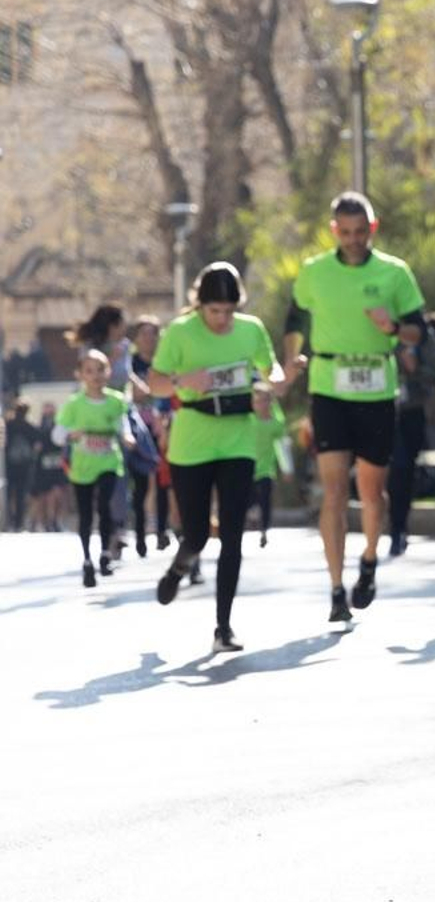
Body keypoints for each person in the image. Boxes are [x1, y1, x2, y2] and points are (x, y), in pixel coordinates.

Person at [282, 191, 426, 622]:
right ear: (333, 231)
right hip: (329, 389)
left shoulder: (395, 273)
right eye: (345, 233)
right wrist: (291, 359)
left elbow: (418, 331)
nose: (353, 240)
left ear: (372, 229)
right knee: (333, 492)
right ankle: (335, 587)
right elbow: (294, 320)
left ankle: (367, 558)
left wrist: (394, 327)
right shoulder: (314, 272)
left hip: (377, 390)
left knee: (371, 492)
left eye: (360, 232)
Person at [147, 262, 285, 652]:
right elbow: (153, 381)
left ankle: (223, 626)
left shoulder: (251, 329)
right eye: (214, 311)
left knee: (232, 534)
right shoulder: (180, 332)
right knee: (195, 533)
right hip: (192, 441)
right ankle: (179, 566)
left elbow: (268, 367)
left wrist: (273, 379)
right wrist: (181, 381)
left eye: (228, 311)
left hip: (238, 439)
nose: (222, 319)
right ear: (200, 304)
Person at [54, 350, 135, 587]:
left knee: (104, 506)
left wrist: (127, 437)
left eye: (101, 369)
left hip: (109, 462)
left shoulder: (115, 401)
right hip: (82, 467)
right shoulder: (74, 404)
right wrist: (72, 434)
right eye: (89, 371)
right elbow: (57, 435)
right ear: (80, 375)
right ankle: (87, 559)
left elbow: (123, 426)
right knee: (86, 514)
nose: (96, 375)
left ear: (108, 372)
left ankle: (105, 554)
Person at [386, 311, 435, 557]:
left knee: (403, 469)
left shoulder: (422, 335)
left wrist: (414, 368)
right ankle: (390, 525)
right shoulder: (374, 325)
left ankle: (399, 528)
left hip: (411, 412)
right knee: (387, 470)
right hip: (380, 409)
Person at [127, 316, 171, 556]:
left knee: (164, 480)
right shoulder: (130, 363)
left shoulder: (165, 362)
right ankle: (140, 534)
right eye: (144, 333)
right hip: (137, 428)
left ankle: (162, 530)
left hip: (161, 427)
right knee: (141, 484)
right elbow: (129, 392)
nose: (149, 338)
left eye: (153, 333)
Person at [250, 382, 288, 549]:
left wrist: (287, 468)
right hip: (248, 469)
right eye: (258, 401)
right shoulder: (248, 421)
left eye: (265, 401)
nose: (261, 404)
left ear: (270, 402)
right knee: (249, 500)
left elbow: (283, 446)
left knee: (265, 500)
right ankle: (250, 517)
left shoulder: (276, 423)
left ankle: (264, 530)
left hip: (266, 470)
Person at [29, 401, 67, 532]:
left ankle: (55, 520)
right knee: (44, 494)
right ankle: (44, 521)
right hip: (43, 465)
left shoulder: (60, 426)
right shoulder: (40, 427)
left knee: (57, 493)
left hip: (57, 463)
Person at [4, 400, 39, 530]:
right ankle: (19, 523)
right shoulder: (30, 426)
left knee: (8, 494)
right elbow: (37, 445)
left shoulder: (8, 425)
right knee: (21, 495)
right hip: (25, 466)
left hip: (8, 465)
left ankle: (8, 520)